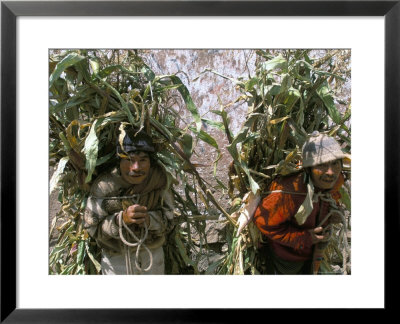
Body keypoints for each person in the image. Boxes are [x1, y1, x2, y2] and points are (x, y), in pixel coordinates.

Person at [253, 131, 349, 274]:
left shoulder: (335, 181)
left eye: (335, 163)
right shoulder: (288, 192)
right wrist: (304, 238)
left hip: (313, 254)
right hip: (286, 258)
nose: (331, 172)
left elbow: (329, 201)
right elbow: (263, 222)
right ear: (308, 169)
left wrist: (333, 213)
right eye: (322, 165)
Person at [84, 126, 175, 275]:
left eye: (143, 160)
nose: (136, 167)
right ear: (119, 161)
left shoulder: (159, 181)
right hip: (116, 261)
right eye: (130, 160)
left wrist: (149, 221)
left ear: (150, 162)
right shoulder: (104, 186)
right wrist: (121, 220)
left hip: (152, 259)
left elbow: (171, 220)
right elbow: (91, 228)